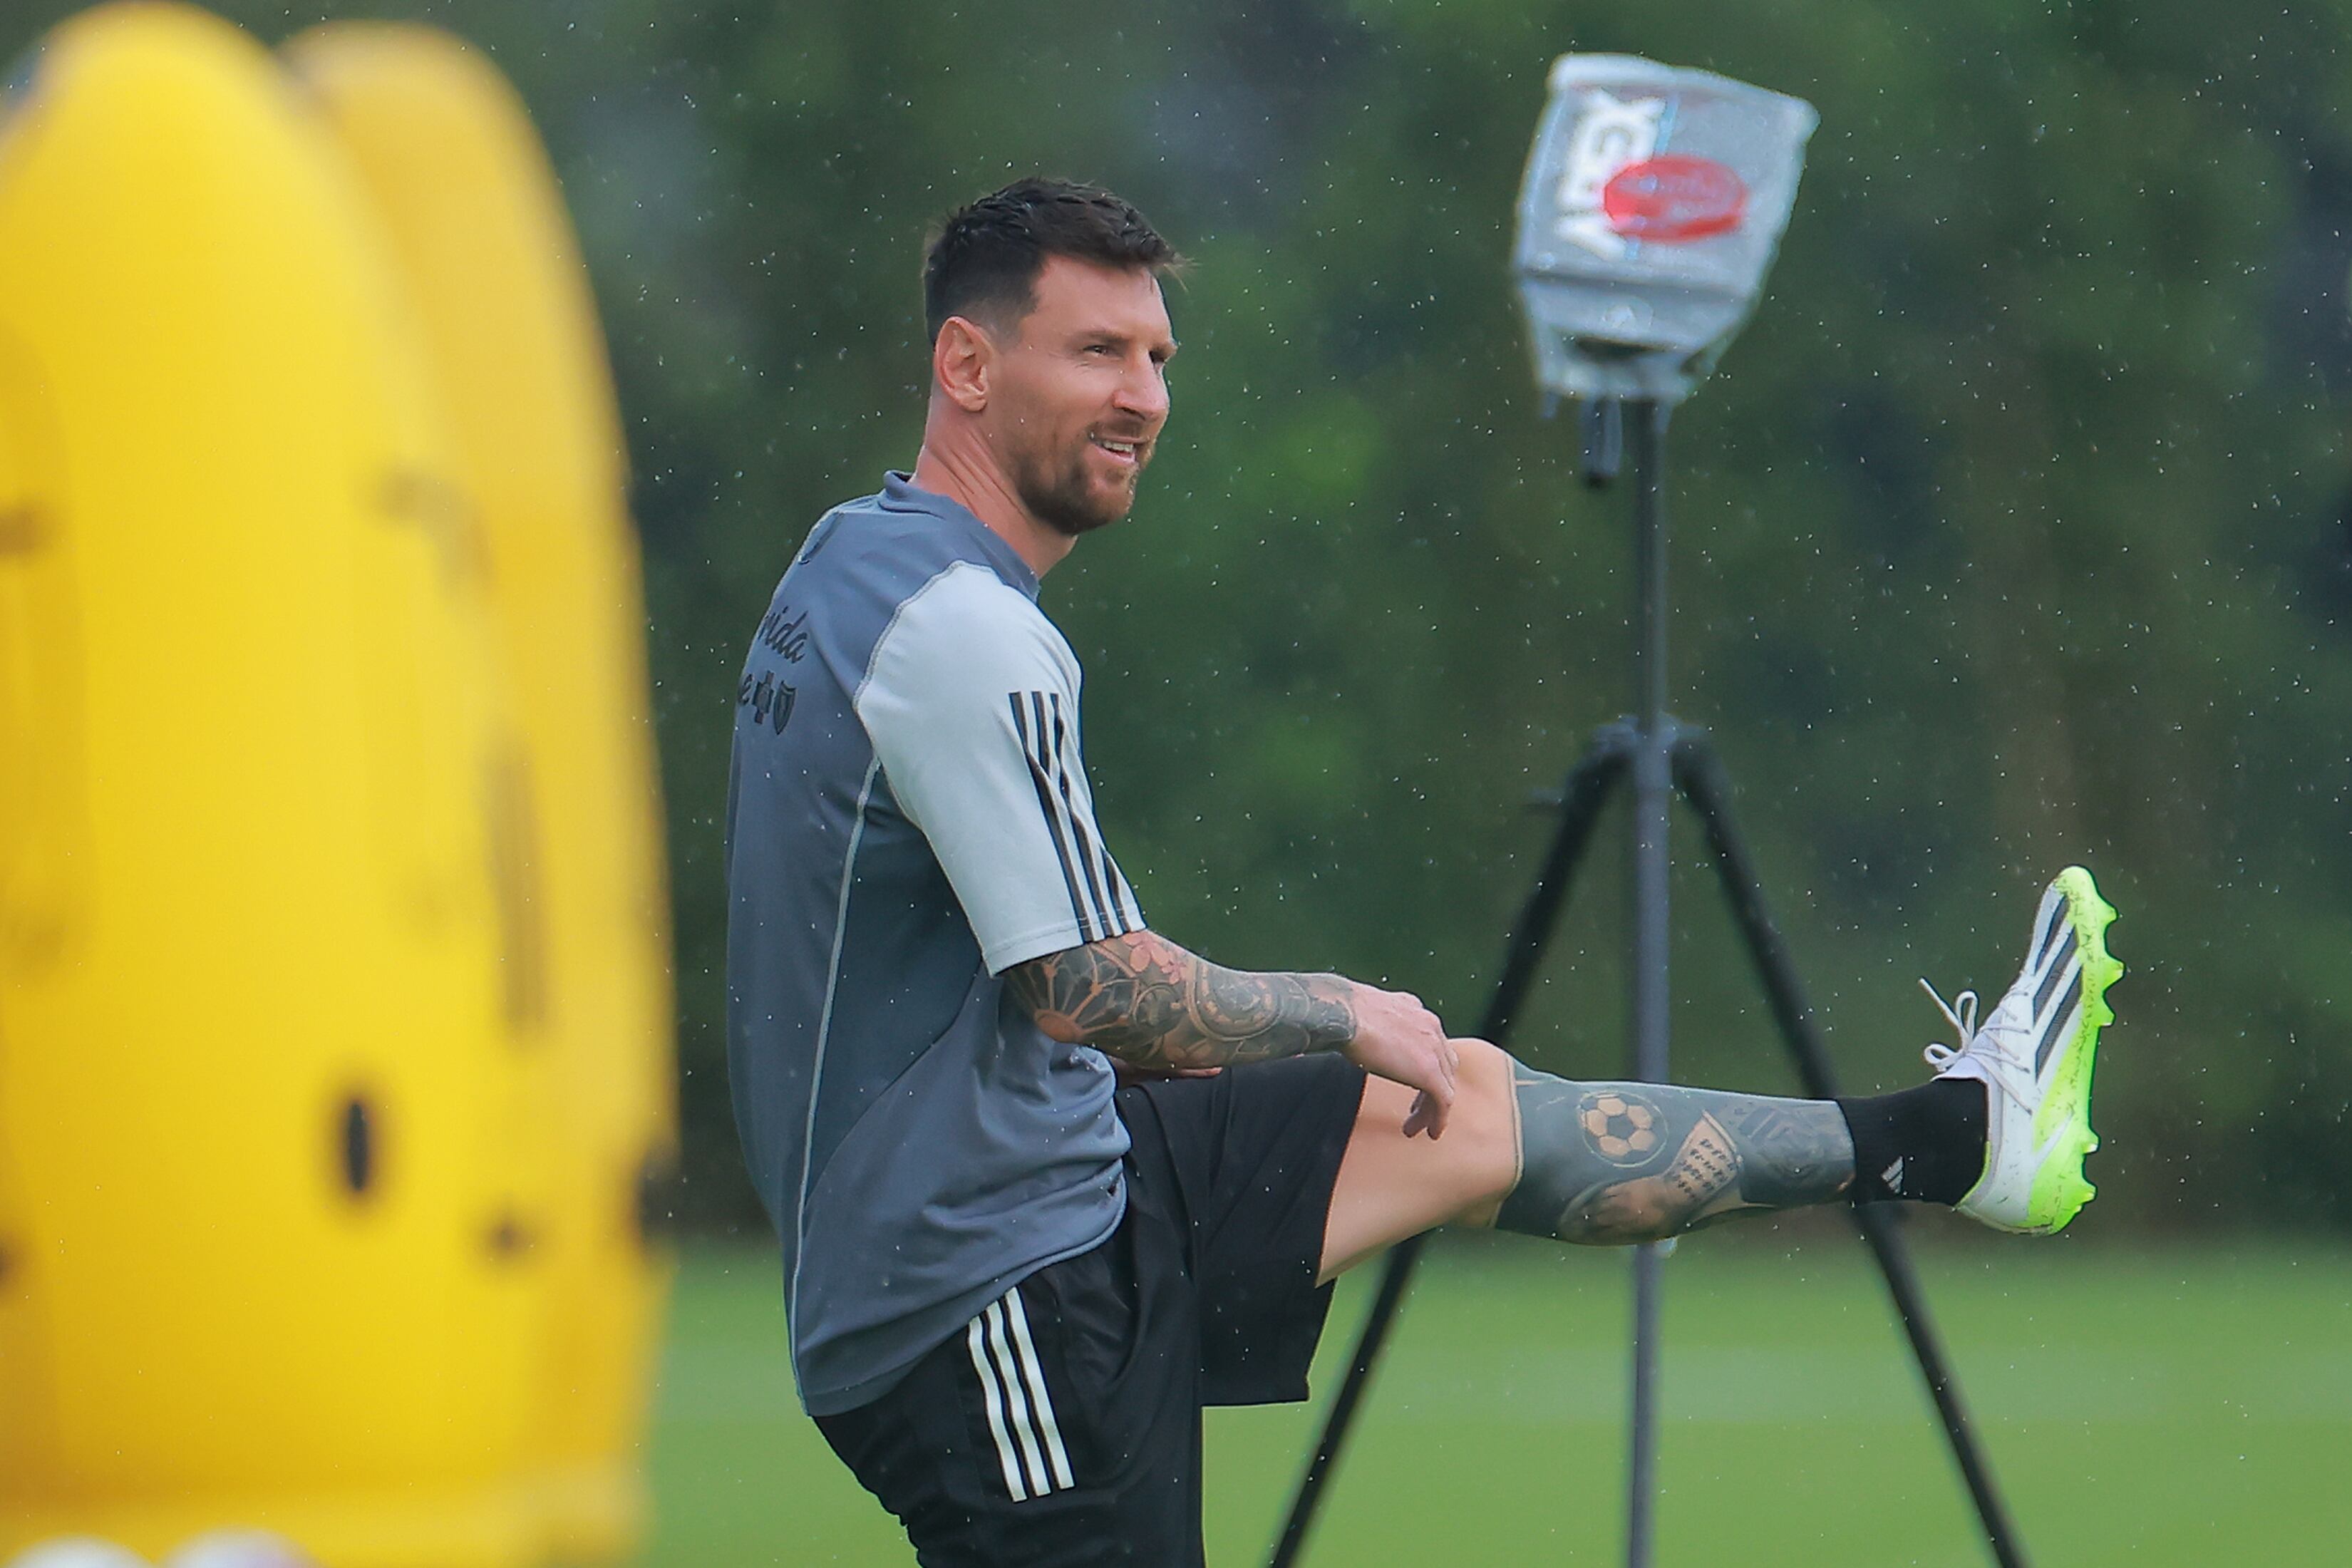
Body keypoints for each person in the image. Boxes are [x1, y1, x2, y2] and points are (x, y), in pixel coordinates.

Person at [723, 177, 2123, 1566]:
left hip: (1038, 1169)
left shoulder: (854, 560)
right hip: (979, 1295)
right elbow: (1091, 989)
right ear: (965, 364)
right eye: (1096, 351)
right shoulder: (970, 635)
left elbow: (972, 961)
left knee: (1462, 1109)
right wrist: (1333, 1003)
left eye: (1157, 358)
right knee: (1399, 1059)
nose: (1144, 396)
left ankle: (1958, 1136)